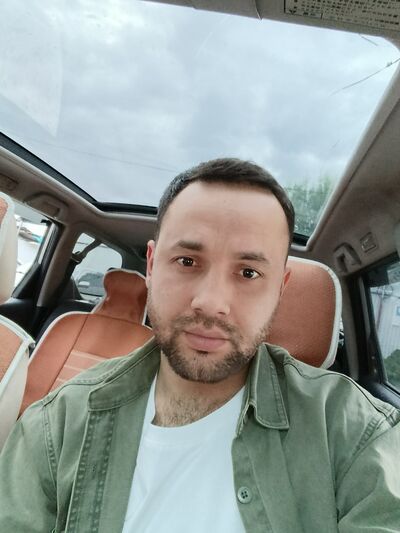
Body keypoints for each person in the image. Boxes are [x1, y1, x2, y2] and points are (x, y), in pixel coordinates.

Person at [0, 158, 399, 532]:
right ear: (152, 266)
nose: (210, 302)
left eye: (248, 272)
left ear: (280, 289)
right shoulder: (56, 426)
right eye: (188, 261)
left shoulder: (355, 433)